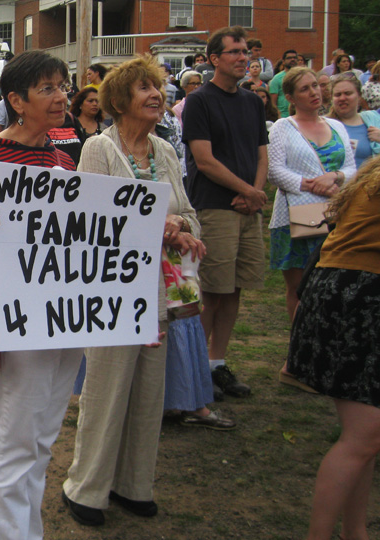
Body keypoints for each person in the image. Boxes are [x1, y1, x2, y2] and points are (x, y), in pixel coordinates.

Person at [60, 55, 198, 528]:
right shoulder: (98, 149)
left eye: (157, 87)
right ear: (120, 101)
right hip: (114, 292)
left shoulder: (166, 152)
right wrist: (158, 223)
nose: (156, 95)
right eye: (144, 88)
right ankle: (86, 487)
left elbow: (187, 210)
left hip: (159, 292)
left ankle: (133, 484)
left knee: (147, 392)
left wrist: (183, 228)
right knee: (107, 389)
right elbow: (92, 218)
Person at [0, 52, 79, 540]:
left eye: (63, 87)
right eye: (48, 88)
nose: (60, 97)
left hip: (68, 309)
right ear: (16, 100)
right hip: (17, 307)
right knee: (14, 437)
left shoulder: (63, 159)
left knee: (43, 436)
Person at [285, 158, 380, 540]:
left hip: (346, 294)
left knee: (366, 434)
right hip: (356, 301)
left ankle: (354, 532)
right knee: (365, 435)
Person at [182, 26, 268, 401]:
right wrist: (247, 190)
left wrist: (256, 193)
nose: (243, 57)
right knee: (212, 290)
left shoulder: (252, 102)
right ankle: (197, 368)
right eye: (234, 51)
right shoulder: (200, 101)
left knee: (235, 288)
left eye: (245, 51)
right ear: (214, 59)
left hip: (248, 207)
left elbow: (261, 152)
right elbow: (204, 159)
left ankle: (218, 363)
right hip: (216, 207)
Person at [267, 67, 355, 325]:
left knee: (332, 285)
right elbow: (275, 171)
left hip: (335, 214)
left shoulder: (336, 125)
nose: (314, 92)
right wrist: (310, 184)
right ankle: (298, 351)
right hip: (296, 216)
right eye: (305, 89)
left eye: (315, 85)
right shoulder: (283, 127)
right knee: (299, 288)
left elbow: (352, 168)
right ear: (291, 97)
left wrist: (335, 177)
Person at [327, 73, 380, 169]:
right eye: (338, 95)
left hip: (369, 182)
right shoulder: (325, 126)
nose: (342, 98)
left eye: (348, 93)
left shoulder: (374, 119)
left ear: (359, 96)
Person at [270, 50, 300, 118]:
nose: (292, 59)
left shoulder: (302, 77)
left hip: (300, 116)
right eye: (289, 58)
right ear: (283, 61)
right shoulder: (277, 79)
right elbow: (273, 103)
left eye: (295, 58)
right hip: (283, 116)